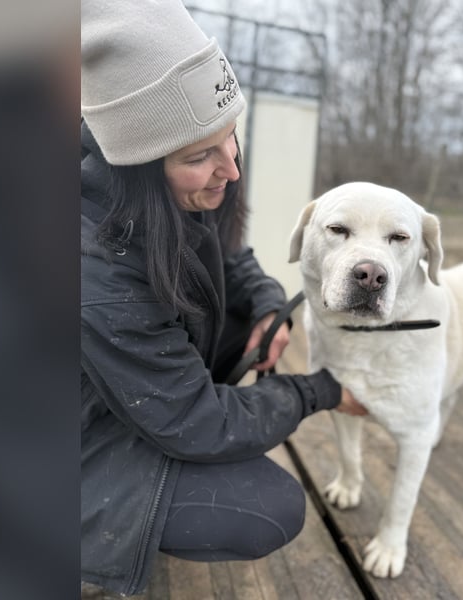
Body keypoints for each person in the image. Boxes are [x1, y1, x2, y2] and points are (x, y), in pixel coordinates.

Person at [80, 0, 366, 595]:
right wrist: (318, 391)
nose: (231, 168)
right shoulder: (93, 267)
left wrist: (265, 303)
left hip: (124, 378)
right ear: (136, 165)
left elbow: (229, 248)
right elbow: (196, 421)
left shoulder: (187, 169)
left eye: (231, 135)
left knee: (229, 307)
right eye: (200, 157)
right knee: (266, 507)